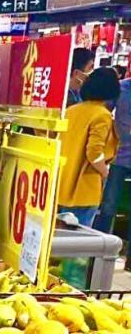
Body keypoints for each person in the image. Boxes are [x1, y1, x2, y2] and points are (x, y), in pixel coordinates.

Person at [57, 67, 121, 228]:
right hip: (85, 187)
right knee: (80, 236)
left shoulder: (70, 111)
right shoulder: (102, 115)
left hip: (62, 183)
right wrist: (104, 171)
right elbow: (94, 152)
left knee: (61, 234)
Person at [97, 72, 131, 235]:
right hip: (119, 155)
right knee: (108, 205)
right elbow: (103, 112)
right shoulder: (121, 87)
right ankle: (98, 245)